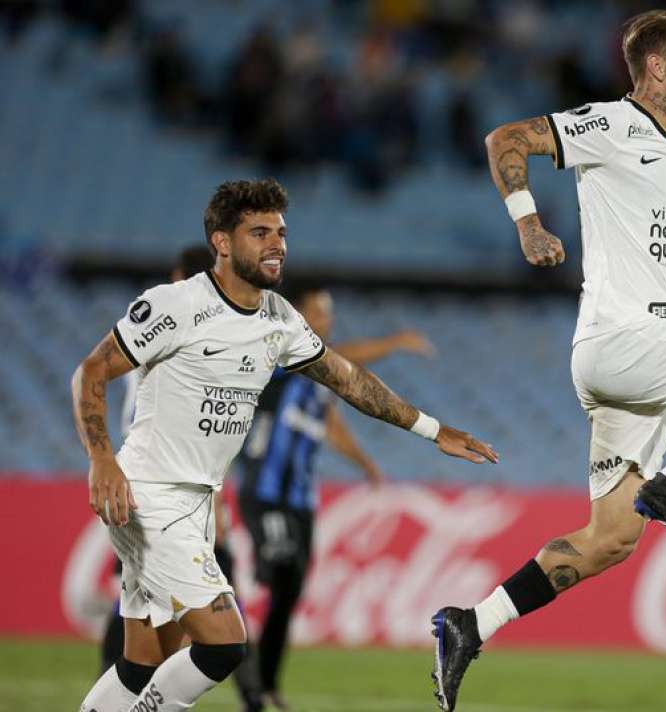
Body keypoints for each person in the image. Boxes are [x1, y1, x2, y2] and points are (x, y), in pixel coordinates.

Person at [431, 10, 666, 711]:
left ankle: (470, 624)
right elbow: (505, 137)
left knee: (610, 541)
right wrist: (528, 221)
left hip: (641, 365)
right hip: (622, 337)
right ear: (657, 67)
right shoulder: (607, 123)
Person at [72, 178, 497, 712]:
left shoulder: (278, 319)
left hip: (196, 500)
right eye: (259, 232)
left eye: (281, 232)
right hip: (150, 494)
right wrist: (101, 458)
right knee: (225, 643)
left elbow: (347, 379)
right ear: (222, 243)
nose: (277, 243)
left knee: (143, 660)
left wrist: (433, 430)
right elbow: (90, 371)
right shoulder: (174, 305)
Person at [237, 283, 435, 710]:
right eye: (319, 312)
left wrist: (365, 463)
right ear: (299, 315)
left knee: (289, 593)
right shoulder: (284, 357)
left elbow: (330, 426)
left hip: (301, 500)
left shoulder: (319, 384)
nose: (326, 320)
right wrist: (395, 342)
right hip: (266, 492)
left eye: (329, 314)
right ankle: (236, 654)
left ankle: (264, 685)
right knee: (278, 570)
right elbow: (345, 361)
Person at [101, 244, 267, 712]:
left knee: (144, 659)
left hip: (172, 498)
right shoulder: (175, 333)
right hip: (159, 499)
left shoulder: (187, 335)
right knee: (222, 643)